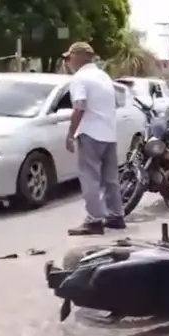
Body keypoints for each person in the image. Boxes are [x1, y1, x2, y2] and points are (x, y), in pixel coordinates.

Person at [63, 42, 126, 236]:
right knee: (110, 179)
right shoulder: (103, 76)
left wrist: (71, 133)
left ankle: (94, 221)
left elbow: (79, 107)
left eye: (68, 58)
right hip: (108, 134)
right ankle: (116, 216)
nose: (67, 62)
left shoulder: (80, 78)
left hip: (89, 134)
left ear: (77, 58)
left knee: (89, 178)